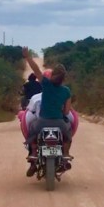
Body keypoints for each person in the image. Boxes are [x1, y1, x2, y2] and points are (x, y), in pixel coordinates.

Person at [22, 47, 73, 176]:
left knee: (32, 132)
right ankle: (65, 153)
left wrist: (28, 57)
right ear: (63, 78)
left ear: (52, 75)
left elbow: (36, 69)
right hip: (59, 123)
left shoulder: (46, 84)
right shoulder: (66, 91)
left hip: (42, 122)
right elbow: (67, 112)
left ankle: (34, 154)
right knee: (68, 136)